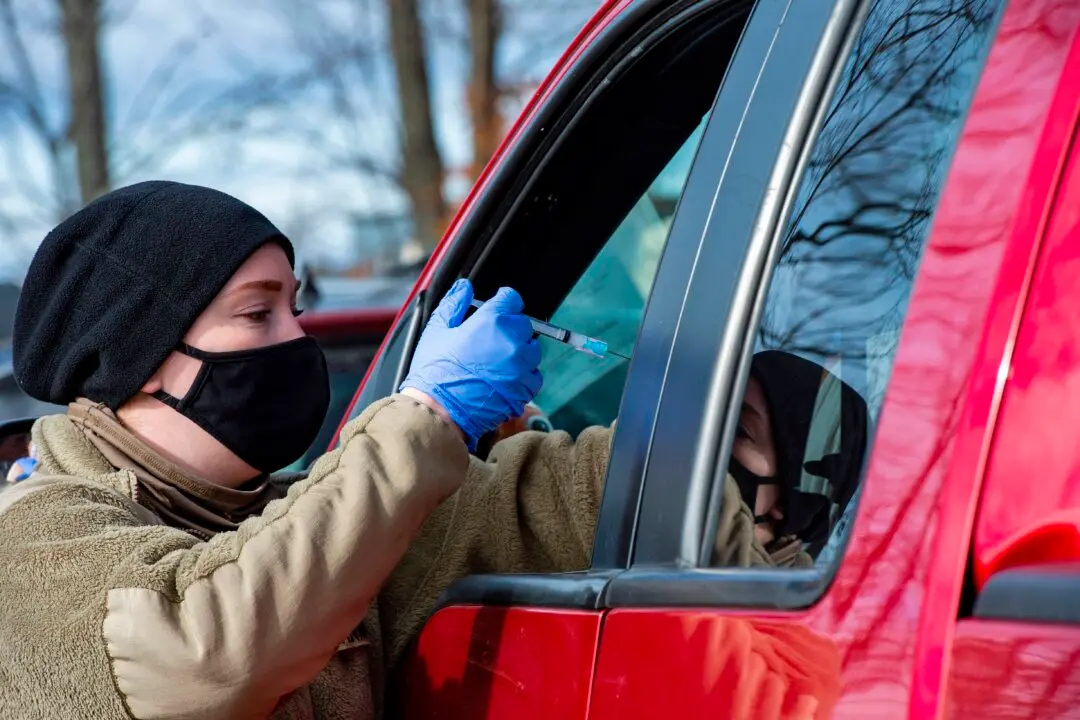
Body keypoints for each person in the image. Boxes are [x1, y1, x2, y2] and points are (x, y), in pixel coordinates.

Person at [0, 181, 541, 719]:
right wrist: (431, 414)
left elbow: (528, 509)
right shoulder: (34, 533)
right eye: (258, 313)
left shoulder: (297, 519)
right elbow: (203, 655)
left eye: (295, 310)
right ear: (134, 357)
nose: (299, 340)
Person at [373, 349, 870, 698]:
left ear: (793, 502)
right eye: (708, 414)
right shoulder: (647, 532)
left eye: (735, 429)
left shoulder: (804, 644)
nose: (701, 439)